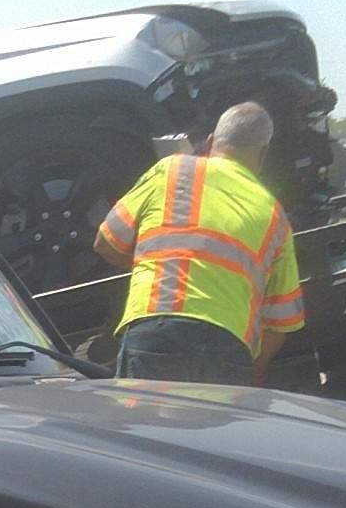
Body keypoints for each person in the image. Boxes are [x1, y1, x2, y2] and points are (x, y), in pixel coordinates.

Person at [93, 102, 304, 384]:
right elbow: (282, 321)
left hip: (158, 332)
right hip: (228, 349)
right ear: (263, 155)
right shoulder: (275, 216)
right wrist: (250, 372)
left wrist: (158, 262)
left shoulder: (172, 170)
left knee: (148, 428)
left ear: (211, 142)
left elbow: (107, 242)